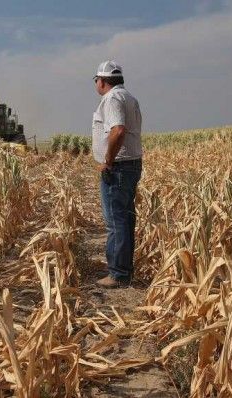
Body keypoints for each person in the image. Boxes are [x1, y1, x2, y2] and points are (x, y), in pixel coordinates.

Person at [91, 60, 143, 288]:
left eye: (96, 80)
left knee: (116, 221)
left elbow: (118, 130)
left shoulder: (111, 99)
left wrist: (107, 161)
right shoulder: (129, 98)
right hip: (131, 164)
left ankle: (118, 274)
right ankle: (124, 269)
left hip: (118, 167)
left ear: (102, 81)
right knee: (125, 218)